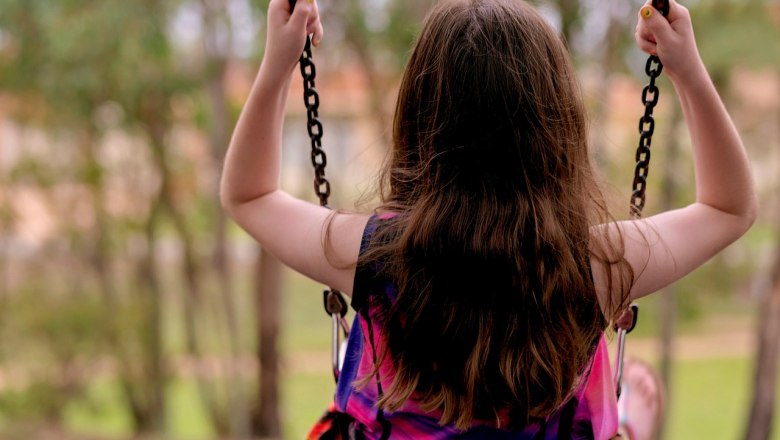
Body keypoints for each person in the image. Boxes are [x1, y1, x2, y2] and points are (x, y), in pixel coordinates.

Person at [221, 0, 757, 438]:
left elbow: (249, 194)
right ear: (558, 127)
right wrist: (685, 69)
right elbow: (728, 207)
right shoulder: (596, 263)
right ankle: (628, 428)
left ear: (418, 119)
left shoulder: (376, 255)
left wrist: (278, 64)